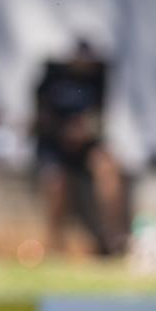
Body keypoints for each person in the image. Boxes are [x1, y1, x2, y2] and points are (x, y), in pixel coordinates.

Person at [32, 39, 126, 255]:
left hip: (84, 146)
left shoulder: (97, 80)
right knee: (55, 181)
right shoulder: (50, 80)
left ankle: (114, 238)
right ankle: (54, 244)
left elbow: (98, 119)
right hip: (54, 145)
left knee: (108, 168)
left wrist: (82, 130)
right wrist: (63, 131)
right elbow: (40, 119)